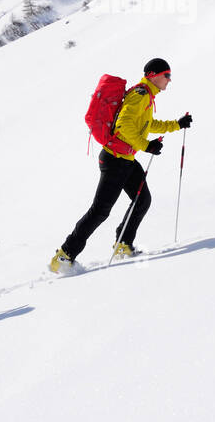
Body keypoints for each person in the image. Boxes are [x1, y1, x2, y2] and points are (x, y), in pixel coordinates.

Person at [50, 58, 192, 271]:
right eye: (167, 75)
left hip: (125, 159)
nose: (169, 80)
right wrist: (146, 145)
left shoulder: (147, 95)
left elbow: (146, 124)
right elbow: (123, 125)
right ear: (153, 74)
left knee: (142, 200)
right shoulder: (141, 95)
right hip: (115, 160)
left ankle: (123, 245)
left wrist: (176, 124)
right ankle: (64, 255)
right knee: (100, 210)